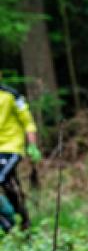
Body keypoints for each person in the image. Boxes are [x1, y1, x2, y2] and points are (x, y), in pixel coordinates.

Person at [0, 80, 41, 233]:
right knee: (11, 186)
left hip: (11, 148)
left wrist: (32, 146)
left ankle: (8, 225)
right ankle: (23, 223)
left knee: (2, 179)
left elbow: (28, 122)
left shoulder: (12, 95)